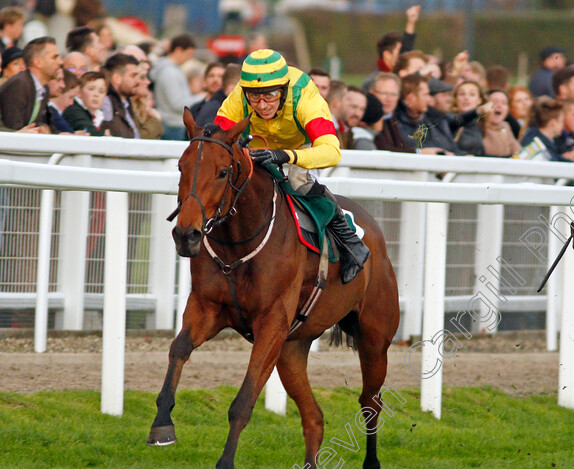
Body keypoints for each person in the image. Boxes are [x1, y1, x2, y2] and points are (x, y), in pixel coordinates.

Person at [213, 49, 369, 283]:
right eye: (254, 97)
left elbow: (332, 152)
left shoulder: (304, 96)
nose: (263, 105)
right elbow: (216, 142)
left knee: (298, 181)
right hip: (257, 144)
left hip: (299, 145)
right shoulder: (239, 97)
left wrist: (286, 156)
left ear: (284, 89)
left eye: (271, 95)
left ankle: (351, 241)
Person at [0, 36, 62, 133]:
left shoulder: (43, 87)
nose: (60, 62)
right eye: (54, 57)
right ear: (38, 62)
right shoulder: (19, 84)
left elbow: (41, 123)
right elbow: (13, 127)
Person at [360, 4, 420, 91]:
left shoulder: (400, 76)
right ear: (387, 55)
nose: (403, 55)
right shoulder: (371, 83)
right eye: (399, 52)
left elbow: (407, 50)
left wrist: (411, 22)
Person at [150, 33, 198, 140]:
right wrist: (200, 99)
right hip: (172, 125)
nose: (189, 59)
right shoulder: (169, 72)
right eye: (188, 54)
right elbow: (177, 103)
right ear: (178, 50)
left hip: (172, 124)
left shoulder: (172, 70)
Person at [102, 52, 141, 138]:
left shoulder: (126, 103)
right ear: (117, 78)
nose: (138, 81)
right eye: (133, 76)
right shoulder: (106, 103)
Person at [62, 70, 109, 135]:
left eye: (101, 91)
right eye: (91, 89)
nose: (96, 95)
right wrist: (105, 133)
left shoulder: (102, 116)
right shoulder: (73, 111)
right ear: (79, 92)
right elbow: (88, 131)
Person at [519, 96, 565, 161]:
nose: (563, 125)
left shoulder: (550, 141)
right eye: (561, 121)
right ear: (553, 123)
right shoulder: (533, 141)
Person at [481, 89, 520, 158]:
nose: (499, 106)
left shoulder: (506, 126)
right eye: (494, 102)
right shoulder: (478, 126)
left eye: (504, 103)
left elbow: (518, 152)